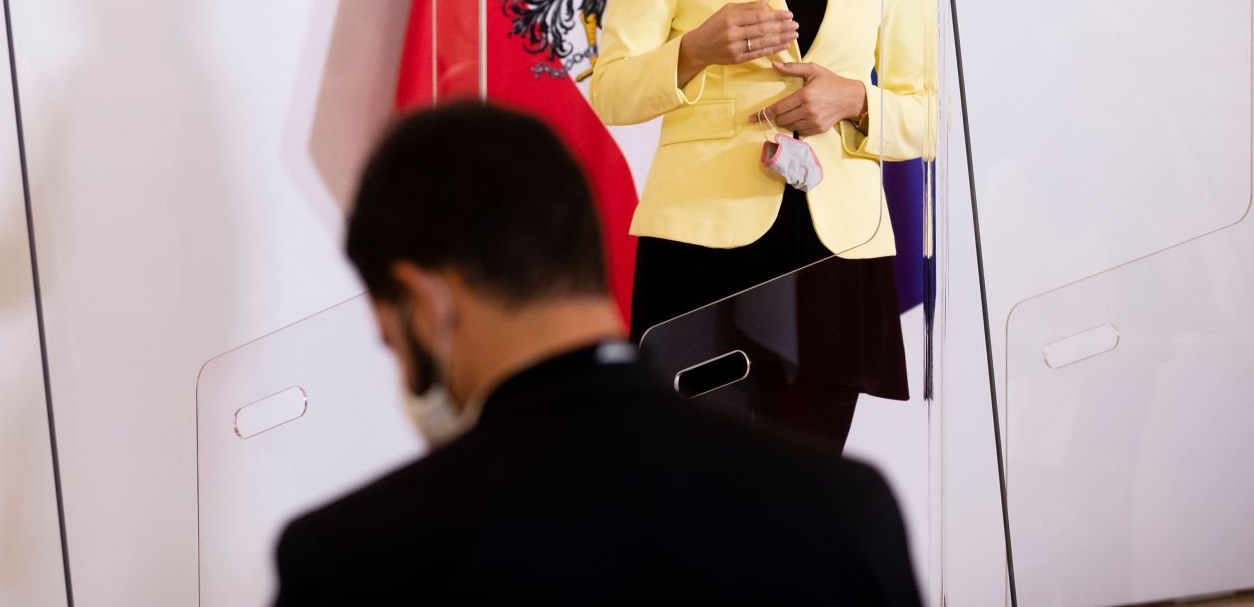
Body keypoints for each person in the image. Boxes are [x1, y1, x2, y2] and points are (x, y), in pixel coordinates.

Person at [272, 102, 922, 606]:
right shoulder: (845, 508)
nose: (408, 380)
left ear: (423, 302)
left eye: (394, 343)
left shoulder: (352, 561)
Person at [588, 0, 933, 450]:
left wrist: (857, 100)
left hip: (836, 253)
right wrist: (694, 49)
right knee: (691, 496)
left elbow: (934, 113)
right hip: (701, 250)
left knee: (802, 501)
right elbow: (612, 89)